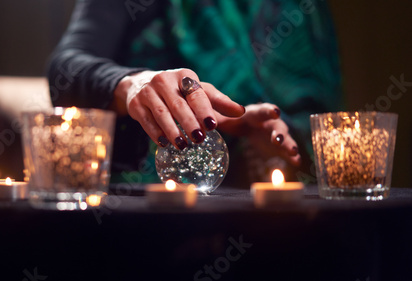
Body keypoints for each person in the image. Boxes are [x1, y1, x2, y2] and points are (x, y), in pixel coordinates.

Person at [47, 0, 343, 185]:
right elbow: (65, 69)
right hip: (147, 206)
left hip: (273, 215)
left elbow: (320, 116)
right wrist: (134, 83)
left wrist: (278, 133)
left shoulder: (302, 8)